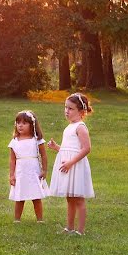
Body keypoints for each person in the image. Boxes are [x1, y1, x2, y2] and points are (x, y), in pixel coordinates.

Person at [47, 93, 94, 235]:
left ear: (81, 111)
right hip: (68, 165)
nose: (67, 111)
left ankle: (80, 231)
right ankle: (70, 227)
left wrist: (71, 163)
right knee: (70, 198)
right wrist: (57, 148)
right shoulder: (69, 127)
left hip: (75, 166)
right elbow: (70, 149)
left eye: (71, 108)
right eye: (65, 107)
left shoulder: (80, 127)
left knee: (78, 199)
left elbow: (86, 149)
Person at [8, 110, 49, 223]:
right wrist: (12, 175)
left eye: (24, 123)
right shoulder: (14, 141)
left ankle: (40, 220)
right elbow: (12, 160)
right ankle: (17, 219)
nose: (20, 125)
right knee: (19, 197)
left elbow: (44, 156)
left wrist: (44, 170)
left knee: (36, 197)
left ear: (32, 125)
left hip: (33, 171)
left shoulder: (37, 140)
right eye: (18, 122)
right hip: (20, 172)